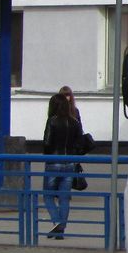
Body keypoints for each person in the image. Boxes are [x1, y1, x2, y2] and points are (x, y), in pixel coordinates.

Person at [42, 92, 82, 239]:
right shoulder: (74, 122)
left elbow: (47, 143)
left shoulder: (52, 121)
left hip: (53, 162)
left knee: (48, 195)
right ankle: (61, 229)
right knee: (64, 198)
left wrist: (47, 155)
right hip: (69, 163)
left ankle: (57, 222)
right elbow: (79, 143)